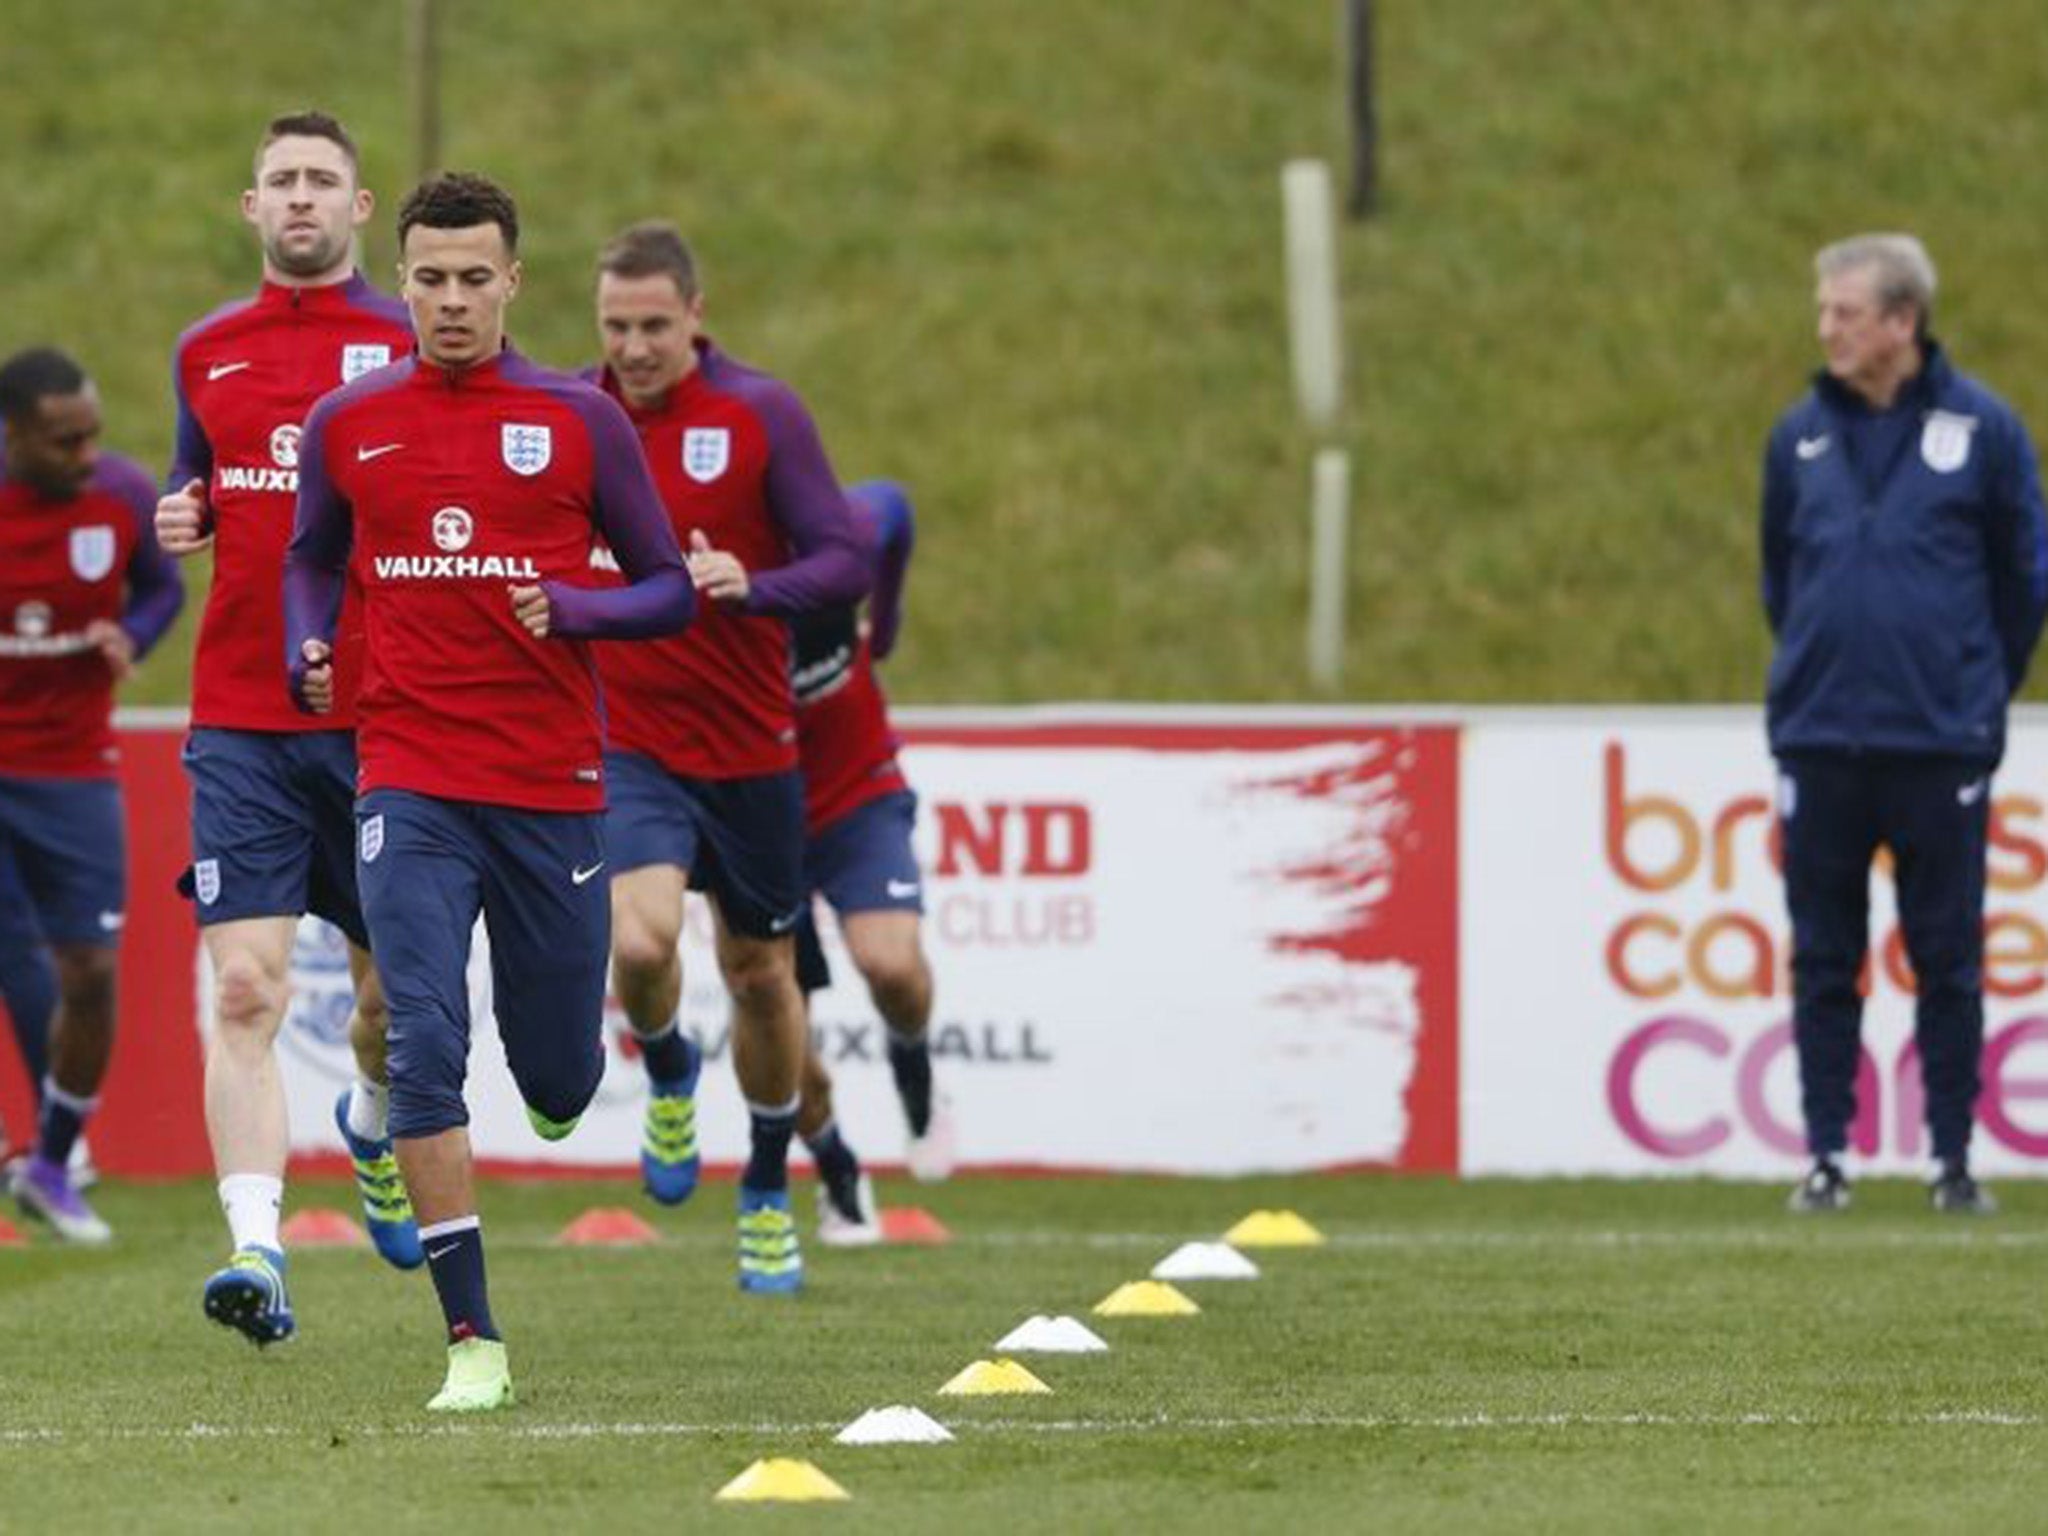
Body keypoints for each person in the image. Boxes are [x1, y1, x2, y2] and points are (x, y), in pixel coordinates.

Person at [285, 171, 693, 1411]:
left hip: (553, 786)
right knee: (422, 1044)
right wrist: (312, 643)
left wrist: (576, 606)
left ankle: (581, 1086)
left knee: (562, 1081)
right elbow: (311, 555)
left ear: (513, 282)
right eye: (430, 278)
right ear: (398, 278)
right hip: (405, 770)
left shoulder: (579, 421)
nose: (451, 301)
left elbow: (668, 585)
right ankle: (473, 1342)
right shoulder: (348, 421)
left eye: (475, 278)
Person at [154, 111, 422, 1330]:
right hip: (244, 722)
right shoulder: (205, 350)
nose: (301, 199)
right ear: (248, 207)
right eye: (281, 182)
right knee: (249, 990)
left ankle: (369, 1123)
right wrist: (182, 511)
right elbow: (194, 481)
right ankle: (257, 1253)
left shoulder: (409, 343)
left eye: (323, 181)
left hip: (386, 720)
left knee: (386, 1004)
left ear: (361, 210)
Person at [585, 223, 870, 1294]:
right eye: (616, 326)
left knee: (759, 977)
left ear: (697, 316)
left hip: (751, 750)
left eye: (655, 325)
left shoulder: (760, 414)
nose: (636, 347)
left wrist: (756, 584)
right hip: (632, 743)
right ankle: (665, 1067)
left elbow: (842, 558)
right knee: (641, 935)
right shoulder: (577, 413)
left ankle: (762, 1185)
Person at [1762, 232, 2048, 1216]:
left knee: (1946, 961)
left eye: (1843, 313)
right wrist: (1815, 672)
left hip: (1938, 746)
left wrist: (1970, 694)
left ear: (1900, 322)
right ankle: (1824, 1158)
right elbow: (1778, 580)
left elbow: (2022, 584)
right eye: (1823, 312)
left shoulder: (1987, 432)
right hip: (1819, 740)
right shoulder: (1794, 435)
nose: (1825, 330)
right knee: (1821, 959)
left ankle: (1950, 1161)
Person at [0, 347, 183, 1241]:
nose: (83, 457)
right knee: (13, 951)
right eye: (61, 442)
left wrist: (133, 635)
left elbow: (163, 586)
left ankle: (55, 1154)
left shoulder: (120, 496)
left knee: (90, 969)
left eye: (90, 438)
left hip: (73, 767)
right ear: (13, 436)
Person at [789, 478, 952, 1212]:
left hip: (858, 796)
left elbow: (898, 510)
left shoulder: (849, 530)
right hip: (759, 817)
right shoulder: (701, 585)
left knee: (893, 966)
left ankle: (914, 1068)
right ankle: (836, 1167)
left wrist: (880, 627)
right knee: (778, 1020)